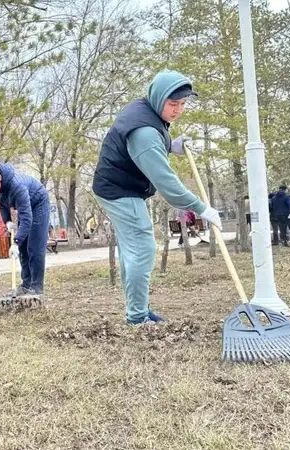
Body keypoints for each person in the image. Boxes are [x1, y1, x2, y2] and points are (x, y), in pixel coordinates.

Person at [91, 69, 222, 326]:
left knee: (133, 250)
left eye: (183, 104)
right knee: (142, 248)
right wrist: (200, 208)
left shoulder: (145, 110)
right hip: (119, 191)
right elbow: (166, 182)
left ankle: (137, 310)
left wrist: (169, 145)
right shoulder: (145, 132)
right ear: (159, 98)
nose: (178, 110)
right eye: (173, 104)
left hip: (117, 185)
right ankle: (138, 317)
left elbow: (146, 149)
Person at [0, 163, 50, 295]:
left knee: (34, 247)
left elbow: (27, 219)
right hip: (25, 208)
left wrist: (15, 242)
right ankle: (26, 285)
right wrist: (8, 221)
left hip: (38, 204)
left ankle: (36, 287)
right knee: (23, 249)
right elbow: (2, 205)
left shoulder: (17, 186)